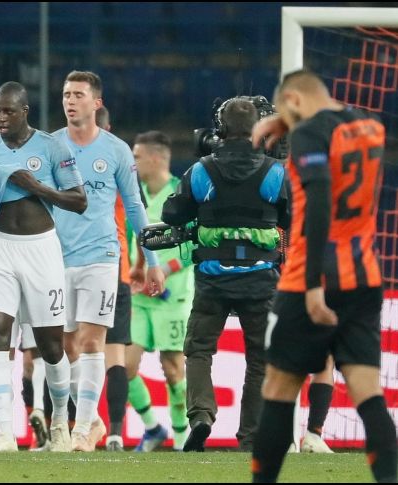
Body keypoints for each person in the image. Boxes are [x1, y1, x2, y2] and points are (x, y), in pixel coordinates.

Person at [251, 69, 395, 483]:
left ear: (294, 100)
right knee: (369, 392)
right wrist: (290, 119)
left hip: (308, 281)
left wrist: (313, 285)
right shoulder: (371, 126)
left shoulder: (311, 135)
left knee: (278, 390)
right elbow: (333, 124)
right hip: (364, 277)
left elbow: (318, 201)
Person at [0, 81, 88, 452]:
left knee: (51, 346)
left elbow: (79, 201)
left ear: (24, 111)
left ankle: (61, 423)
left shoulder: (51, 147)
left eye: (8, 111)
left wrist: (35, 186)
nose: (1, 117)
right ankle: (4, 434)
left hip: (42, 250)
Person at [162, 97, 290, 452]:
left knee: (199, 350)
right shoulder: (274, 172)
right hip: (261, 279)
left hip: (212, 279)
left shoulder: (202, 170)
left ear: (220, 129)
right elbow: (291, 219)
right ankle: (250, 436)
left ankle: (202, 414)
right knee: (259, 359)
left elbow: (173, 213)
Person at [53, 71, 163, 452]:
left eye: (78, 94)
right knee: (63, 347)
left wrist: (151, 260)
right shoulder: (51, 147)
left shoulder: (115, 150)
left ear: (95, 103)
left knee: (91, 340)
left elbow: (134, 207)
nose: (70, 100)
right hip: (56, 257)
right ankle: (95, 420)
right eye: (66, 94)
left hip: (102, 256)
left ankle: (83, 429)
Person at [126, 131, 195, 452]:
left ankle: (182, 441)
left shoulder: (181, 194)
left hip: (173, 297)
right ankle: (154, 427)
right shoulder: (133, 194)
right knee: (124, 366)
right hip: (139, 296)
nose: (133, 162)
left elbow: (195, 242)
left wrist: (164, 271)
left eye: (137, 156)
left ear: (156, 158)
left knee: (172, 370)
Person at [95, 106, 141, 452]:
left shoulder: (63, 162)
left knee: (70, 353)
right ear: (108, 127)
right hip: (116, 268)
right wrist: (143, 262)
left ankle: (67, 428)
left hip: (73, 268)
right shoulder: (120, 161)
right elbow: (137, 215)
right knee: (115, 355)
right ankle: (114, 431)